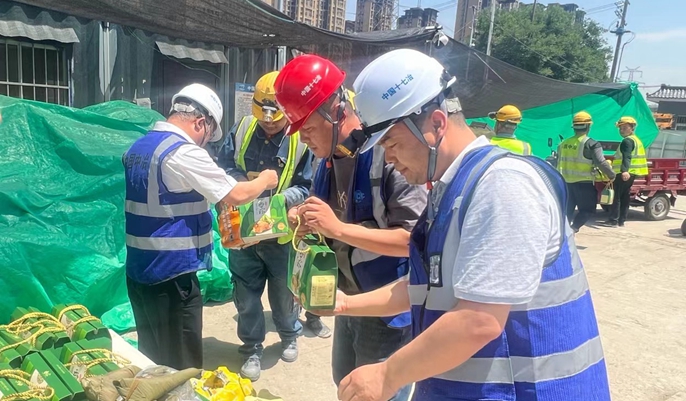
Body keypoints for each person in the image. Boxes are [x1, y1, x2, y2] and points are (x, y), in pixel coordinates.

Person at [306, 48, 611, 401]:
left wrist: (387, 374)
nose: (388, 157)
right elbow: (424, 287)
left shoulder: (502, 184)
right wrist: (345, 304)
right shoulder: (451, 189)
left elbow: (478, 320)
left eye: (392, 142)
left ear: (437, 123)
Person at [274, 54, 426, 401]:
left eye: (308, 128)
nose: (305, 139)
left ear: (336, 110)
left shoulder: (390, 155)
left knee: (376, 394)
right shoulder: (327, 160)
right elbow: (325, 221)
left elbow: (412, 240)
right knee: (344, 383)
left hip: (386, 308)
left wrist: (338, 229)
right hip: (345, 298)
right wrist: (305, 219)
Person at [123, 83, 278, 370]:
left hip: (139, 273)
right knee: (182, 367)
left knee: (152, 360)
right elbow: (237, 193)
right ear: (200, 122)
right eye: (207, 135)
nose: (204, 143)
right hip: (172, 277)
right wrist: (265, 180)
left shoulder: (139, 148)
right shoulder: (183, 152)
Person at [212, 71, 313, 381]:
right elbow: (222, 167)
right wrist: (243, 184)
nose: (269, 122)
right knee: (246, 295)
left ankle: (289, 334)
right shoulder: (242, 129)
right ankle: (251, 348)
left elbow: (307, 185)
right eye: (264, 114)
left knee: (284, 292)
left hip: (280, 234)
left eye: (276, 116)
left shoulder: (301, 140)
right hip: (243, 230)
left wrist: (281, 200)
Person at [557, 111, 616, 233]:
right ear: (588, 126)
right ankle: (573, 229)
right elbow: (601, 162)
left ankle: (563, 232)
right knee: (587, 210)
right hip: (584, 183)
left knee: (566, 211)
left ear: (574, 127)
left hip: (565, 183)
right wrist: (611, 174)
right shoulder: (592, 144)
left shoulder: (563, 144)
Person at [607, 116, 649, 227]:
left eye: (625, 128)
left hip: (624, 173)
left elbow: (627, 156)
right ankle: (621, 220)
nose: (622, 130)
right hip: (631, 173)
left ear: (632, 128)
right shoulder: (636, 140)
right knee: (625, 197)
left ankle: (614, 220)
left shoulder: (627, 141)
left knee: (617, 197)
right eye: (620, 128)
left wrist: (624, 171)